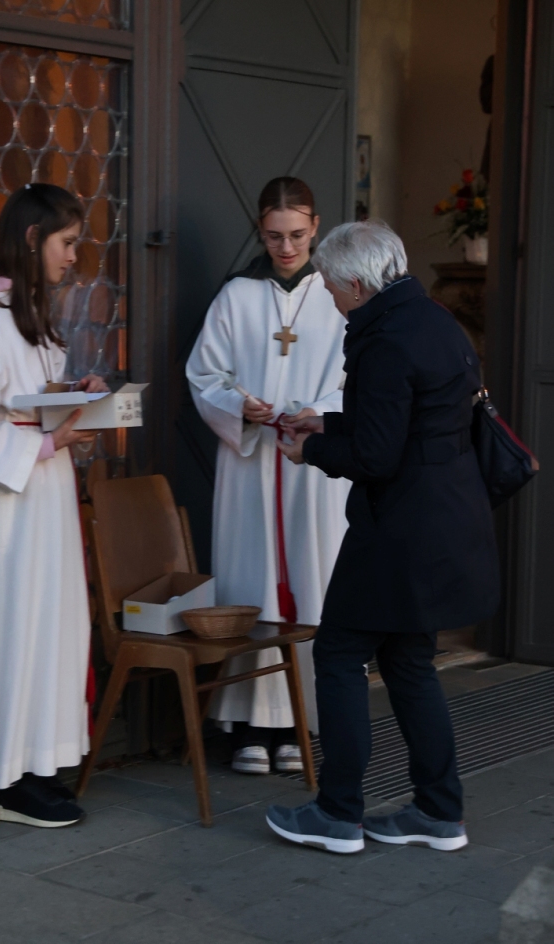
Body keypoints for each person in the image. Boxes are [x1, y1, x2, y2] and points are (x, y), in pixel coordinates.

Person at [266, 220, 499, 853]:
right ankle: (439, 812)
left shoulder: (385, 339)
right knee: (407, 662)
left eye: (329, 286)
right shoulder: (434, 320)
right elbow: (409, 422)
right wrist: (328, 421)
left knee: (340, 653)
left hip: (399, 530)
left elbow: (377, 454)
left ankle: (338, 813)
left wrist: (310, 449)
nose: (328, 296)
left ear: (355, 284)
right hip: (443, 518)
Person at [0, 183, 107, 828]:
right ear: (33, 239)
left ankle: (36, 762)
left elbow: (25, 398)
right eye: (66, 242)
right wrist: (45, 441)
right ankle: (3, 779)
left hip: (45, 497)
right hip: (7, 506)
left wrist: (73, 394)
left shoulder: (30, 311)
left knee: (47, 627)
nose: (73, 256)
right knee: (13, 627)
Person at [186, 177, 350, 776]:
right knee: (251, 580)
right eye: (275, 236)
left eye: (298, 235)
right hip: (251, 463)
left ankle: (305, 721)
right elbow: (205, 374)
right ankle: (252, 723)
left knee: (314, 579)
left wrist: (318, 414)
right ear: (260, 230)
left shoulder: (337, 294)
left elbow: (356, 375)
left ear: (316, 226)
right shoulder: (237, 296)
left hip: (316, 466)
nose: (286, 248)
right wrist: (240, 405)